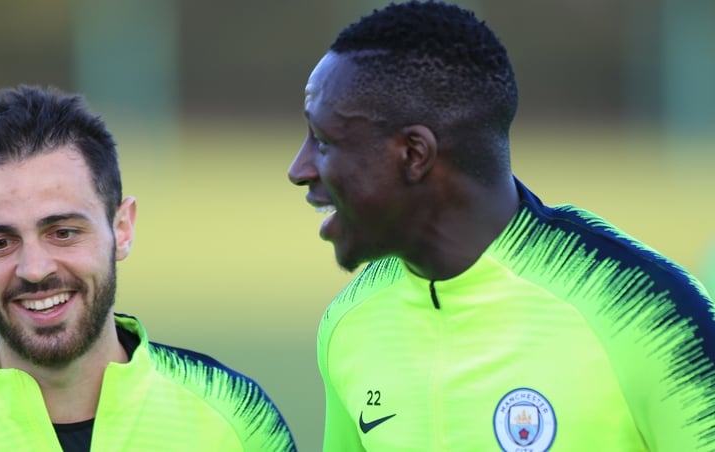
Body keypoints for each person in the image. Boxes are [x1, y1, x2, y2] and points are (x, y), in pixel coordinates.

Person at [287, 1, 715, 450]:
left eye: (324, 142)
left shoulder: (649, 316)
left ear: (414, 155)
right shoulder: (348, 325)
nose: (299, 169)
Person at [0, 85, 296, 451]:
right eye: (0, 243)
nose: (34, 269)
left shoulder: (234, 418)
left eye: (63, 232)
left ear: (122, 228)